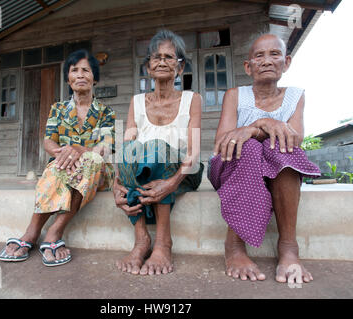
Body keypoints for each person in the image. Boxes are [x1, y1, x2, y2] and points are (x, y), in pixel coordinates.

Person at [209, 34, 320, 284]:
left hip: (277, 168)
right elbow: (222, 143)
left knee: (284, 149)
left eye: (275, 54)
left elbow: (295, 139)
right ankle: (235, 245)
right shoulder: (235, 95)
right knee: (248, 147)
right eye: (259, 56)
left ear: (286, 62)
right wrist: (261, 129)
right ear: (248, 67)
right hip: (229, 164)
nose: (267, 61)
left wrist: (259, 125)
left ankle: (288, 247)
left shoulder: (295, 96)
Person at [0, 49, 116, 267]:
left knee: (91, 162)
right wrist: (62, 153)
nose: (80, 75)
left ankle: (54, 231)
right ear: (68, 79)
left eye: (86, 70)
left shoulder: (105, 112)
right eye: (74, 70)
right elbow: (48, 141)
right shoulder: (58, 109)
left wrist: (77, 150)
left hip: (97, 169)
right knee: (55, 167)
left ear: (95, 78)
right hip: (64, 164)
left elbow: (106, 148)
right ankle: (31, 233)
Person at [113, 30, 204, 275]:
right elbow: (126, 146)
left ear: (180, 66)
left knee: (156, 148)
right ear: (148, 68)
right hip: (147, 172)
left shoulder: (192, 99)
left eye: (169, 57)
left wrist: (173, 183)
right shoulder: (137, 101)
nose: (162, 61)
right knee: (131, 150)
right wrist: (115, 183)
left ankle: (164, 242)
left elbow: (194, 153)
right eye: (156, 57)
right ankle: (142, 238)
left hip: (185, 171)